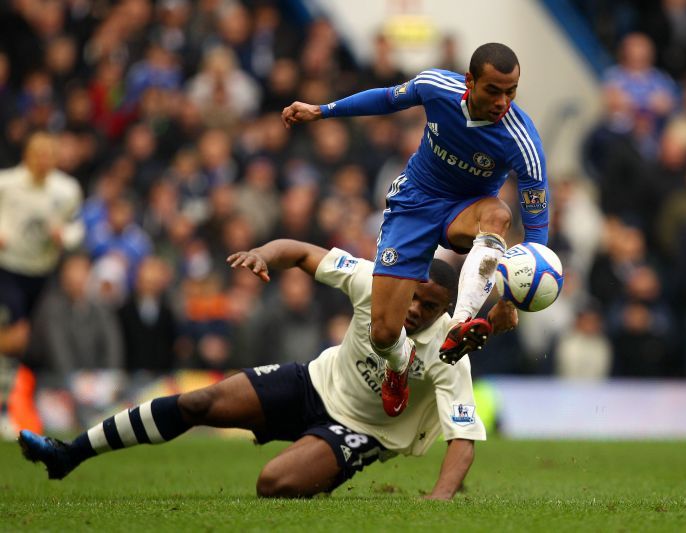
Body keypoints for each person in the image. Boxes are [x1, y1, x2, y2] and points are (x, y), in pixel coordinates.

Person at [19, 238, 494, 500]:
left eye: (430, 307)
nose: (414, 310)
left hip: (362, 430)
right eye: (413, 295)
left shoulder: (449, 352)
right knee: (198, 401)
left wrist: (440, 497)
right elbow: (303, 252)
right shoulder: (375, 282)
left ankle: (325, 470)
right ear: (404, 283)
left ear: (447, 310)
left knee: (273, 485)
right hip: (313, 381)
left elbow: (464, 440)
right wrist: (265, 255)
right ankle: (70, 454)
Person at [282, 42, 548, 398]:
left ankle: (461, 321)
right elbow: (388, 98)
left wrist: (510, 300)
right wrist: (322, 110)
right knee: (383, 333)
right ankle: (397, 364)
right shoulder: (437, 87)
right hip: (414, 204)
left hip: (465, 211)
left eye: (510, 92)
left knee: (499, 214)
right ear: (470, 80)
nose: (502, 102)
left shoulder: (523, 140)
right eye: (493, 91)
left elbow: (537, 230)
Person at [0, 132, 84, 436]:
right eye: (38, 154)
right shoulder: (7, 183)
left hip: (41, 272)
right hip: (8, 267)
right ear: (27, 155)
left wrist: (67, 237)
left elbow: (76, 226)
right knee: (17, 337)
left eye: (49, 155)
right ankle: (5, 409)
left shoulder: (66, 189)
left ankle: (8, 407)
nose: (43, 161)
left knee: (22, 344)